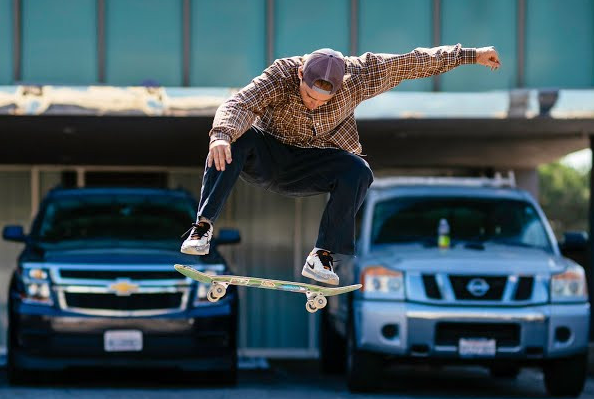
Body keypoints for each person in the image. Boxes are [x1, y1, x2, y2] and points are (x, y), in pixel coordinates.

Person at [181, 44, 502, 285]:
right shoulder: (281, 73)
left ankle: (322, 256)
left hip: (312, 163)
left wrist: (471, 55)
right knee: (237, 138)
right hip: (267, 156)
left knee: (358, 170)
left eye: (323, 101)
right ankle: (203, 227)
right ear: (299, 76)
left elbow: (413, 62)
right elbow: (240, 102)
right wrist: (221, 134)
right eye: (308, 96)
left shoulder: (360, 75)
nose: (313, 103)